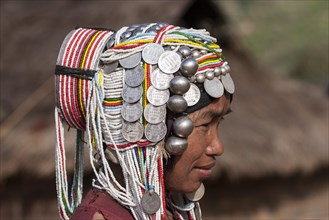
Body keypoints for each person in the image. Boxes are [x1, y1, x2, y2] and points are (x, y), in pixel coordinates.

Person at [54, 22, 234, 220]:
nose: (217, 147)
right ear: (151, 130)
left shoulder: (172, 212)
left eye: (219, 123)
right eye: (204, 125)